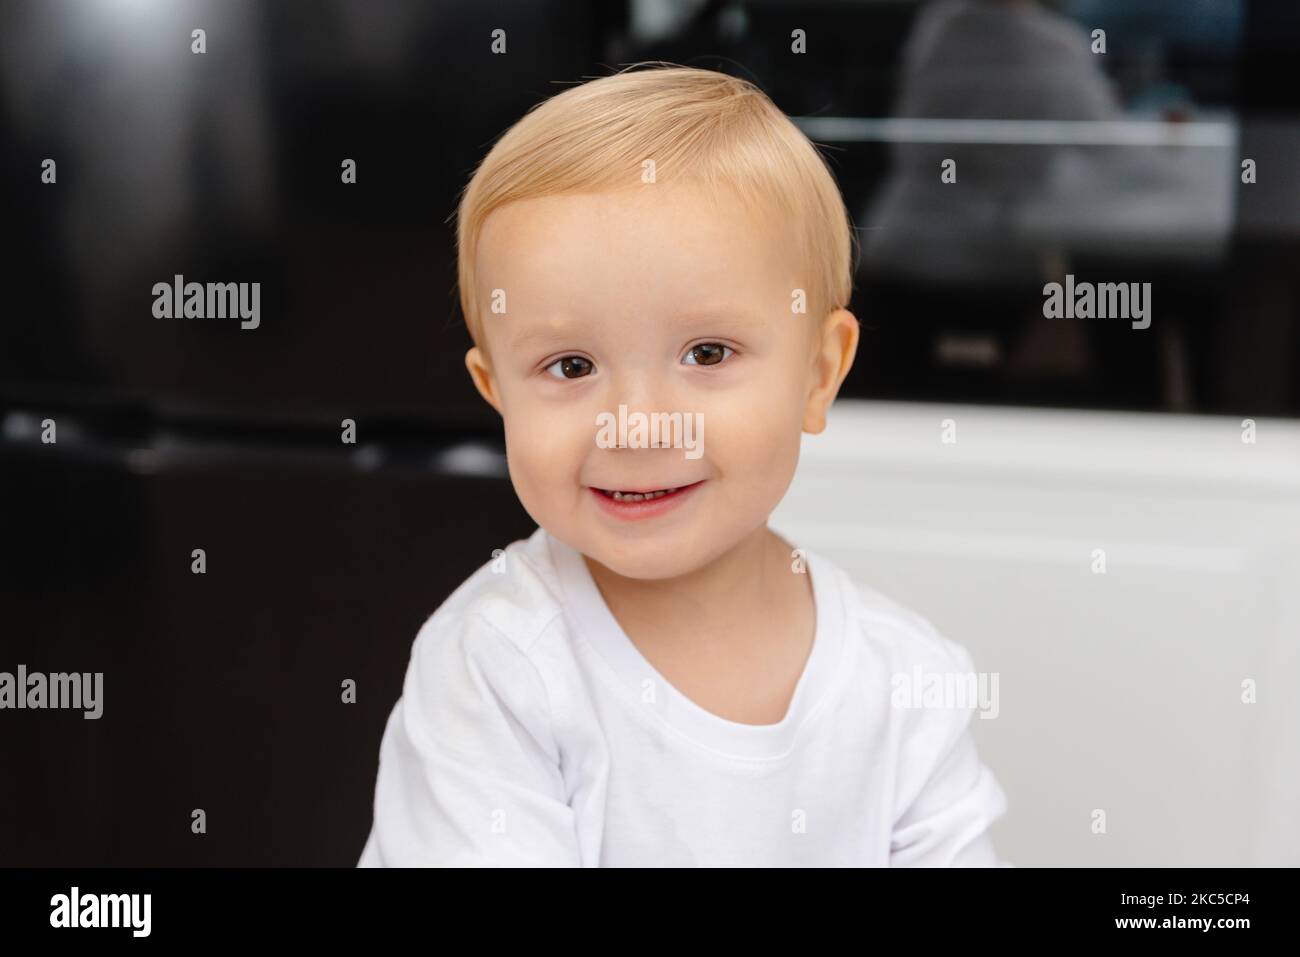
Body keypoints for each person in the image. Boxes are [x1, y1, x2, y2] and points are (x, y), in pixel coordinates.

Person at [358, 64, 1007, 866]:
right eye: (569, 366)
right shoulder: (497, 666)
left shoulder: (905, 675)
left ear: (818, 372)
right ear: (497, 394)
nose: (638, 424)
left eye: (707, 352)